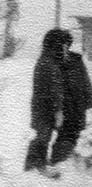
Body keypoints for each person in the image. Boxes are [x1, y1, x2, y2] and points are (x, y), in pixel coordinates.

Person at [24, 29, 70, 178]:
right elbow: (54, 90)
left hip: (42, 107)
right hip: (45, 109)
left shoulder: (46, 60)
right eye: (63, 45)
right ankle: (36, 168)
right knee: (43, 137)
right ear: (56, 45)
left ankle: (33, 168)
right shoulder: (48, 63)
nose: (65, 49)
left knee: (44, 136)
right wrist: (58, 111)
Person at [51, 30, 92, 165]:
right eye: (60, 44)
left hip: (78, 104)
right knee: (64, 134)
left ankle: (66, 160)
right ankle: (58, 161)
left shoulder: (76, 59)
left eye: (65, 44)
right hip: (63, 106)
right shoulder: (52, 61)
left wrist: (88, 100)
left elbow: (85, 81)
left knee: (75, 133)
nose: (63, 46)